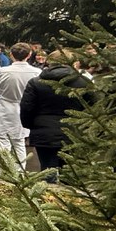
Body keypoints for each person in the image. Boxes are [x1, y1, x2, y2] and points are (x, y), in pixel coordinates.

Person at [20, 50, 90, 178]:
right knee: (71, 174)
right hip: (74, 131)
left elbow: (27, 108)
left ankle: (48, 196)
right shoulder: (83, 82)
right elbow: (93, 108)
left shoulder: (36, 82)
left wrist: (31, 125)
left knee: (47, 171)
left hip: (44, 132)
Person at [0, 43, 41, 166]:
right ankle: (20, 170)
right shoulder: (36, 72)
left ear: (11, 55)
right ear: (29, 55)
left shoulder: (4, 71)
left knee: (3, 141)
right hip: (26, 108)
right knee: (19, 142)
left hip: (5, 108)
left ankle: (5, 169)